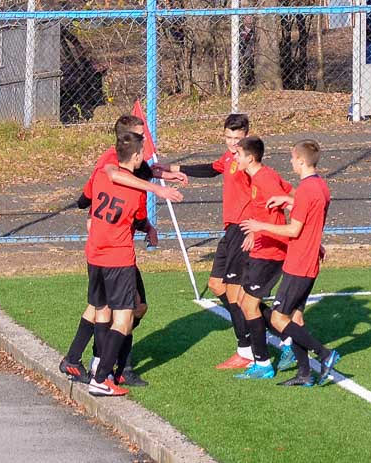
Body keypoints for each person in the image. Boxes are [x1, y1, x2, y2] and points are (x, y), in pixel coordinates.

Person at [59, 115, 185, 387]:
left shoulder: (116, 168)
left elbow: (129, 175)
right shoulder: (112, 167)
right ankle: (108, 371)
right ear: (128, 142)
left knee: (100, 309)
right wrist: (155, 194)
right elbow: (112, 185)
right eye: (141, 136)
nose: (146, 141)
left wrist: (163, 174)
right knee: (129, 311)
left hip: (100, 250)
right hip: (115, 253)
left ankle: (85, 362)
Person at [241, 139, 338, 387]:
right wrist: (288, 201)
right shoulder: (320, 187)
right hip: (309, 261)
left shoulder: (306, 189)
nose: (291, 162)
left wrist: (260, 225)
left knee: (277, 318)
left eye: (293, 159)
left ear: (302, 161)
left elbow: (294, 230)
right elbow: (310, 212)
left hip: (298, 263)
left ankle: (324, 353)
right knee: (295, 319)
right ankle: (304, 374)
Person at [167, 114, 255, 369]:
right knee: (216, 285)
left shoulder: (249, 162)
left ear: (247, 135)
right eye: (228, 137)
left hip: (243, 228)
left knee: (234, 292)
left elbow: (266, 192)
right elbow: (212, 169)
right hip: (230, 230)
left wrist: (256, 229)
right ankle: (261, 326)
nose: (232, 143)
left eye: (238, 139)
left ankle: (246, 348)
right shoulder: (229, 157)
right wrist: (175, 169)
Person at [83, 131, 152, 396]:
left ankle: (99, 366)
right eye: (142, 153)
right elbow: (138, 219)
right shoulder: (135, 194)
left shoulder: (102, 175)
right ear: (135, 156)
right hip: (119, 259)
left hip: (95, 257)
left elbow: (90, 195)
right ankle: (101, 377)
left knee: (103, 312)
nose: (144, 157)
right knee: (123, 320)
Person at [231, 136, 294, 380]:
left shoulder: (265, 178)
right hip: (259, 248)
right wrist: (255, 231)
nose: (235, 158)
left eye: (238, 154)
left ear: (250, 157)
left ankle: (264, 363)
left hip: (271, 252)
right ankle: (287, 338)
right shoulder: (260, 176)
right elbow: (290, 192)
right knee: (242, 299)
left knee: (248, 305)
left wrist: (305, 235)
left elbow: (295, 200)